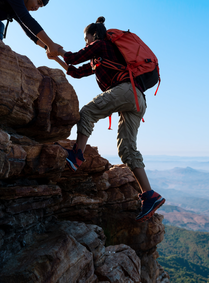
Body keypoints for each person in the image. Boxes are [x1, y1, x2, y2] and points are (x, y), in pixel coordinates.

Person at [61, 16, 165, 222]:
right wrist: (57, 58)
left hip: (126, 91)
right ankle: (150, 195)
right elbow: (76, 71)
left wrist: (60, 51)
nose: (86, 42)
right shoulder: (102, 57)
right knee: (127, 149)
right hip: (138, 100)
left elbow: (73, 58)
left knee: (88, 112)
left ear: (94, 35)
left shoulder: (101, 45)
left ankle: (77, 156)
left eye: (86, 38)